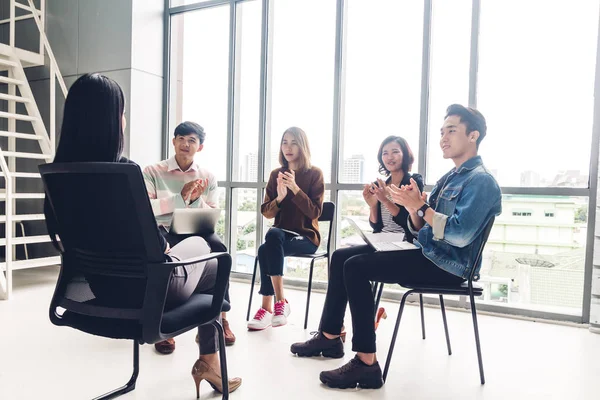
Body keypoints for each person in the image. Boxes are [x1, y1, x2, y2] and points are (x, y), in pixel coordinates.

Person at [43, 73, 241, 396]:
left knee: (205, 256)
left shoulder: (59, 175)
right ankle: (210, 358)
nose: (124, 121)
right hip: (151, 295)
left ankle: (208, 357)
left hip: (95, 294)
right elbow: (152, 245)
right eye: (121, 113)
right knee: (212, 253)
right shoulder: (124, 174)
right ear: (109, 120)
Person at [290, 104, 502, 390]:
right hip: (425, 252)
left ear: (473, 135)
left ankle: (366, 362)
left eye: (451, 130)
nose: (443, 138)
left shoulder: (481, 181)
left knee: (355, 268)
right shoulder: (450, 178)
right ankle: (329, 338)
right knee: (341, 257)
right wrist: (413, 209)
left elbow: (459, 235)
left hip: (446, 266)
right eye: (442, 132)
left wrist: (420, 206)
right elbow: (418, 228)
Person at [292, 135, 422, 344]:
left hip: (404, 246)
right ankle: (329, 333)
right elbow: (377, 226)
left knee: (352, 265)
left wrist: (385, 200)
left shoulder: (413, 181)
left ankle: (336, 335)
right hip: (383, 241)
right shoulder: (383, 184)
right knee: (339, 256)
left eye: (395, 151)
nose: (389, 157)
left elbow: (411, 222)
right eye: (385, 153)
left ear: (405, 154)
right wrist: (372, 204)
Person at [143, 121, 236, 353]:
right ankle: (163, 323)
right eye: (181, 138)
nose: (185, 144)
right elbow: (146, 208)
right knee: (164, 261)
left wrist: (195, 199)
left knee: (221, 251)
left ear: (200, 147)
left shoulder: (207, 176)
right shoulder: (153, 171)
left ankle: (220, 317)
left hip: (195, 230)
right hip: (162, 231)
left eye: (191, 140)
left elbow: (212, 210)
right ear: (173, 141)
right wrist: (180, 198)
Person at [247, 127, 325, 330]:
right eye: (284, 142)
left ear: (303, 146)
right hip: (279, 237)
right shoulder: (276, 175)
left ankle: (271, 306)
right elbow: (267, 212)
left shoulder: (314, 174)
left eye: (294, 143)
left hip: (306, 238)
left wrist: (296, 189)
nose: (288, 148)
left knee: (267, 247)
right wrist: (280, 198)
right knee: (269, 241)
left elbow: (315, 212)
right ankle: (277, 304)